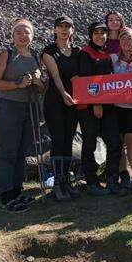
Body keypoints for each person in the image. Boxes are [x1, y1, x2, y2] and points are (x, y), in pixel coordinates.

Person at [0, 18, 48, 212]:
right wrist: (17, 84)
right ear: (13, 35)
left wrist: (38, 83)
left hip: (30, 106)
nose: (23, 36)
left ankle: (17, 191)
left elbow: (42, 88)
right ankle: (6, 196)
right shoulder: (6, 54)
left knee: (22, 151)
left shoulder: (37, 56)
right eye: (19, 32)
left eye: (27, 32)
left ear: (32, 35)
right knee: (8, 151)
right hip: (10, 106)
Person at [77, 21, 124, 195]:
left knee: (114, 142)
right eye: (96, 33)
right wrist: (96, 103)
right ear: (90, 35)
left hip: (107, 105)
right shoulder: (85, 53)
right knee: (89, 143)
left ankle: (112, 180)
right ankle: (92, 182)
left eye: (103, 33)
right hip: (90, 106)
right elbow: (87, 79)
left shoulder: (105, 52)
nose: (100, 36)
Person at [41, 16, 81, 201]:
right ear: (55, 30)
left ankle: (66, 180)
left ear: (72, 30)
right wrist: (64, 93)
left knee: (68, 138)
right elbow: (55, 75)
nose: (64, 30)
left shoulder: (77, 51)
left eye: (68, 27)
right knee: (58, 138)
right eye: (61, 27)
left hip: (74, 101)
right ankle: (58, 182)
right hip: (56, 100)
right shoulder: (49, 51)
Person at [110, 27, 132, 191]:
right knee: (118, 143)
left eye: (129, 38)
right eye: (122, 39)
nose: (126, 42)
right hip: (116, 108)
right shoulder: (111, 59)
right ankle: (123, 175)